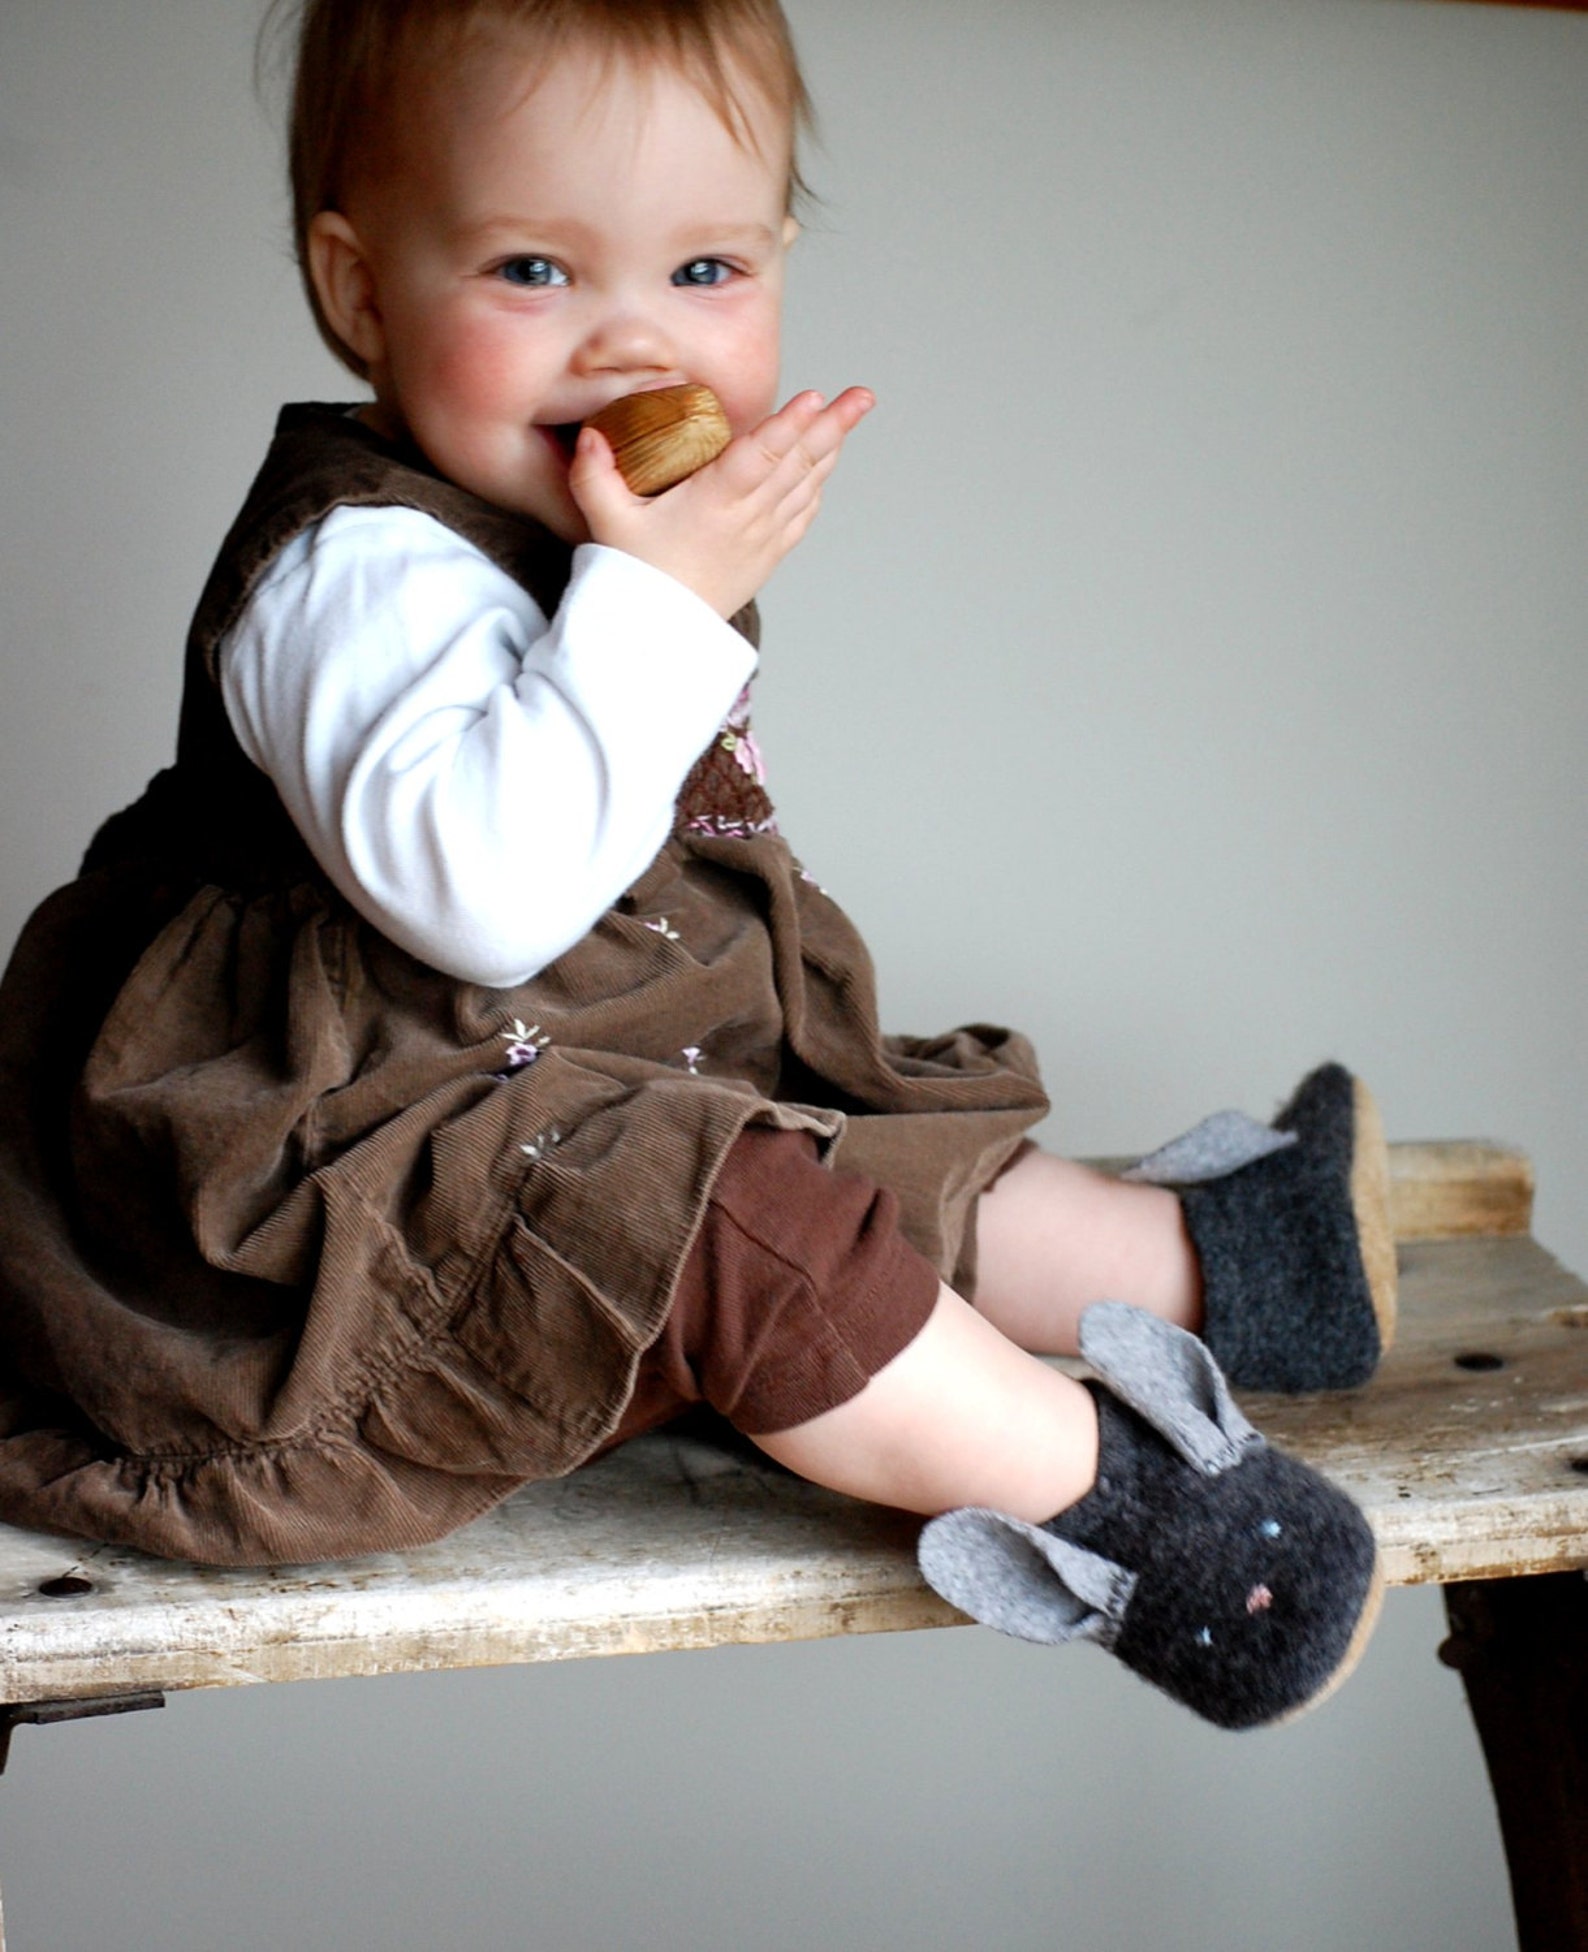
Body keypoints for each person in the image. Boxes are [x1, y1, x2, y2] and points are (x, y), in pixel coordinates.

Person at [0, 0, 1394, 1729]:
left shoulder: (573, 530)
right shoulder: (352, 578)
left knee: (838, 1133)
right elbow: (487, 896)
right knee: (733, 1219)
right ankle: (1127, 1515)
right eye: (533, 270)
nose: (631, 346)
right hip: (331, 1221)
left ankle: (1229, 1267)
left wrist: (647, 588)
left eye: (708, 273)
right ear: (362, 291)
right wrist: (658, 602)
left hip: (547, 1104)